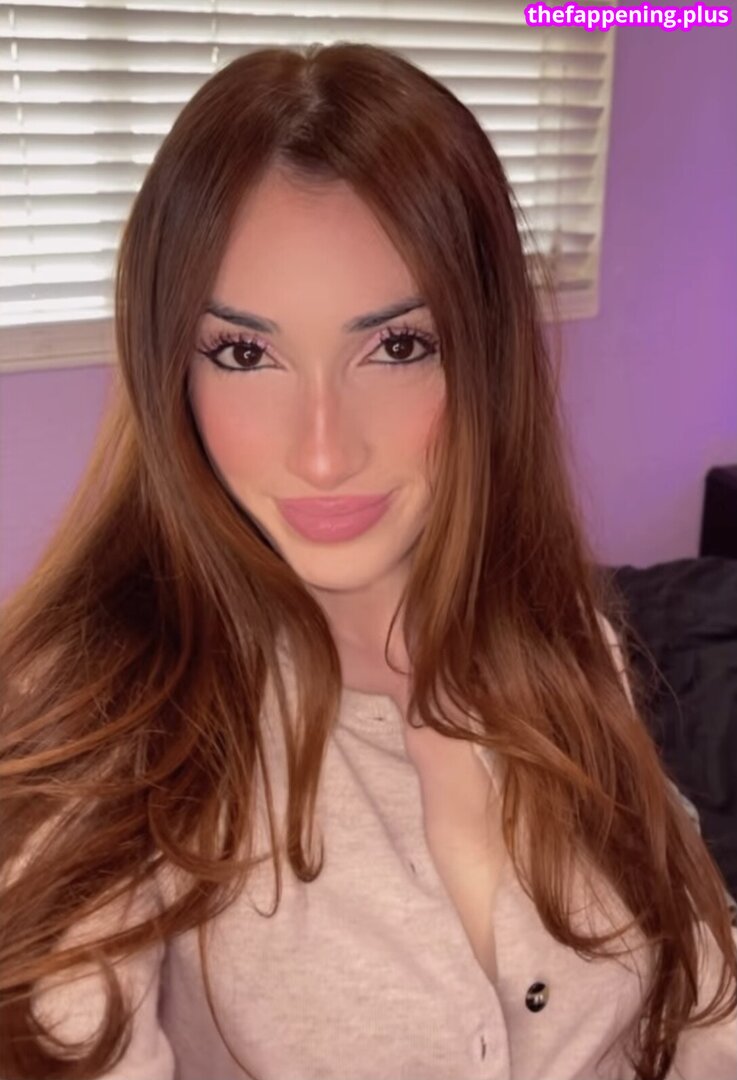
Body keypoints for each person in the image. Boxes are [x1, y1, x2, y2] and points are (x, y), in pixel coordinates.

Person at [0, 41, 735, 1080]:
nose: (322, 451)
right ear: (171, 368)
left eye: (396, 347)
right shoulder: (103, 709)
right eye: (244, 353)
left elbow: (703, 990)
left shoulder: (565, 638)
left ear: (481, 356)